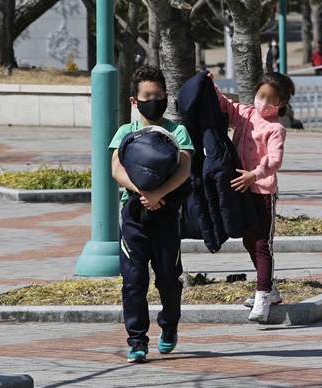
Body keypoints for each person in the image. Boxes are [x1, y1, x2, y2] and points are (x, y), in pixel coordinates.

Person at [109, 65, 195, 363]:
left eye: (158, 96)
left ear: (166, 96)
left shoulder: (177, 131)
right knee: (134, 280)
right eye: (147, 96)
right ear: (134, 100)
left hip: (167, 216)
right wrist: (143, 192)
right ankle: (137, 341)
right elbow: (116, 169)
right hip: (134, 215)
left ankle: (168, 327)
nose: (153, 101)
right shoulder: (125, 132)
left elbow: (184, 169)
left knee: (169, 278)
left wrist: (159, 194)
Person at [208, 71, 295, 322]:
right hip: (241, 190)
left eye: (271, 98)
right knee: (248, 241)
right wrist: (209, 83)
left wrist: (254, 175)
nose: (264, 102)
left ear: (282, 103)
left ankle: (263, 295)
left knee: (261, 244)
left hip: (262, 192)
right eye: (261, 95)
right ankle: (270, 288)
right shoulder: (246, 114)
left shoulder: (277, 128)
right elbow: (224, 104)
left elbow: (275, 160)